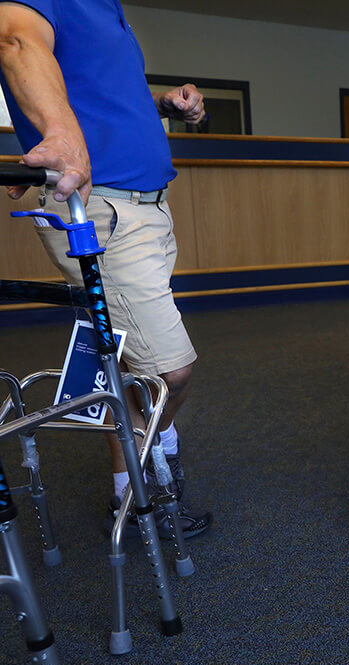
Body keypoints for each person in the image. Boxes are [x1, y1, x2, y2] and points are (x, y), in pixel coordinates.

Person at [0, 0, 211, 536]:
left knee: (128, 359)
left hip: (147, 208)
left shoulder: (107, 8)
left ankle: (129, 493)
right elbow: (15, 40)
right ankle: (156, 465)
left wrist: (162, 104)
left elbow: (97, 90)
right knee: (169, 371)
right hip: (102, 209)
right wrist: (60, 135)